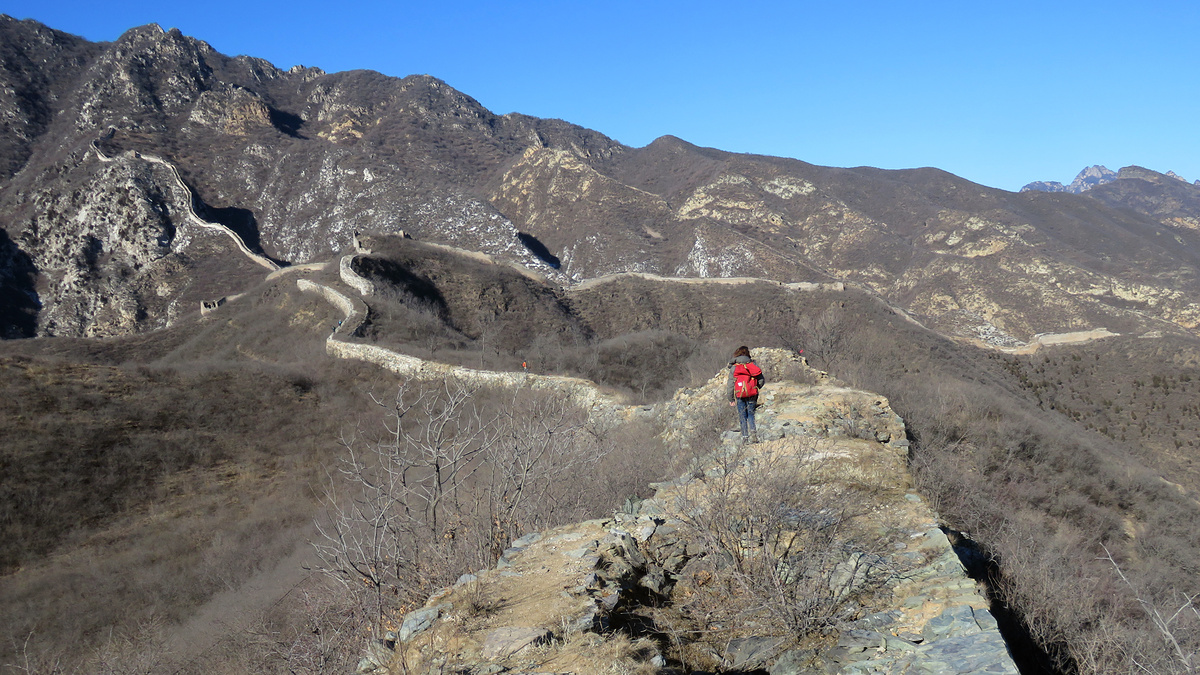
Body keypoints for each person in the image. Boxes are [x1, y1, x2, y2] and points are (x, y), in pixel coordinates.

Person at [726, 346, 765, 444]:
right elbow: (761, 380)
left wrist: (730, 399)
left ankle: (745, 438)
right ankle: (754, 434)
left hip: (740, 395)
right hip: (752, 394)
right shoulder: (753, 365)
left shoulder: (734, 368)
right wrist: (756, 387)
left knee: (742, 416)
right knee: (751, 414)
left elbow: (730, 384)